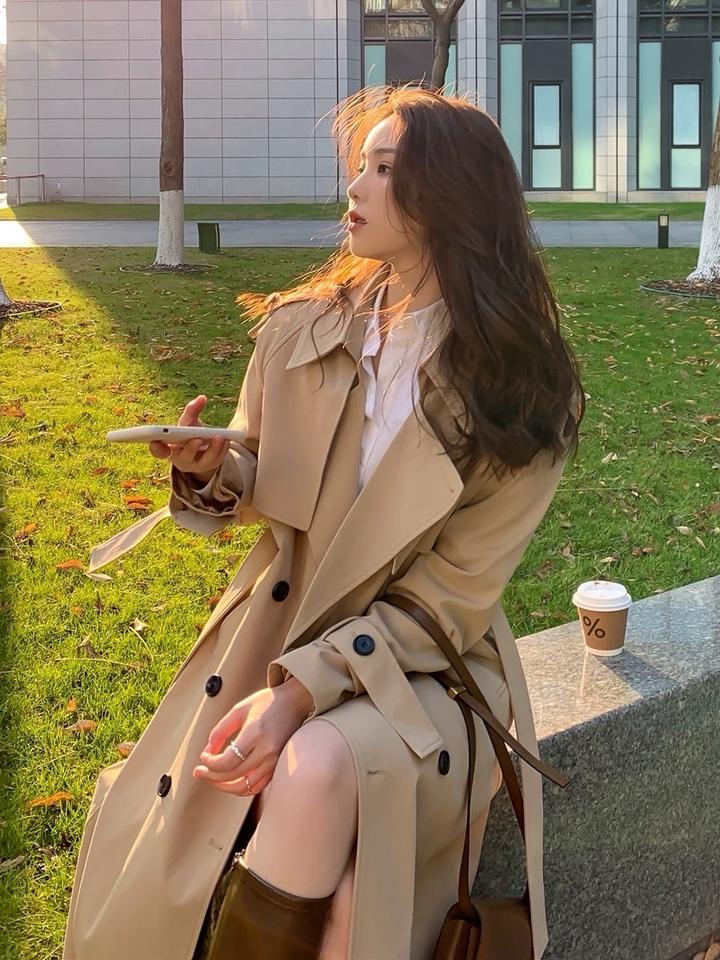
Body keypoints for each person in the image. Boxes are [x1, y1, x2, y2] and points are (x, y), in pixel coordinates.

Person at [62, 85, 585, 960]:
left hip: (427, 659)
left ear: (451, 194)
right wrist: (212, 469)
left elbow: (453, 593)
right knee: (334, 889)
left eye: (385, 169)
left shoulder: (523, 387)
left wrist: (299, 693)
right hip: (280, 624)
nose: (355, 187)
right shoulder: (300, 332)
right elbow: (269, 483)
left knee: (316, 772)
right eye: (359, 166)